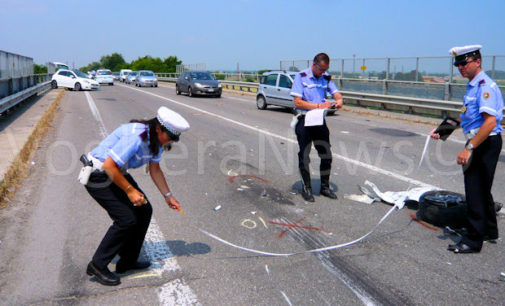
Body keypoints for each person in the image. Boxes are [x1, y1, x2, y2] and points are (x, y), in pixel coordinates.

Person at [84, 106, 190, 285]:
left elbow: (155, 169)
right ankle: (97, 265)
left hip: (116, 172)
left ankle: (128, 260)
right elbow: (109, 166)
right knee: (126, 219)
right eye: (170, 136)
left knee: (144, 211)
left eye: (174, 138)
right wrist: (130, 191)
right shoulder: (136, 137)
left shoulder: (157, 142)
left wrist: (168, 196)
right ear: (158, 128)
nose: (171, 141)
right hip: (98, 174)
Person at [431, 45, 503, 253]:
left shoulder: (485, 86)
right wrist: (442, 131)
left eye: (464, 63)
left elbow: (490, 123)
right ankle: (488, 230)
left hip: (484, 142)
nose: (460, 67)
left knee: (475, 192)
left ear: (477, 62)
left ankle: (472, 240)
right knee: (482, 190)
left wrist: (469, 148)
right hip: (479, 141)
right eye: (458, 64)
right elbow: (467, 117)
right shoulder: (473, 86)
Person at [290, 53, 344, 202]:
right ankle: (306, 188)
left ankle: (325, 187)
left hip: (319, 120)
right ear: (314, 65)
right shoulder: (301, 77)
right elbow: (298, 102)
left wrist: (339, 100)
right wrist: (319, 105)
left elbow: (336, 93)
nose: (322, 73)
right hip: (304, 119)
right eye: (320, 69)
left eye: (325, 70)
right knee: (304, 155)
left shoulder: (325, 77)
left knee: (326, 154)